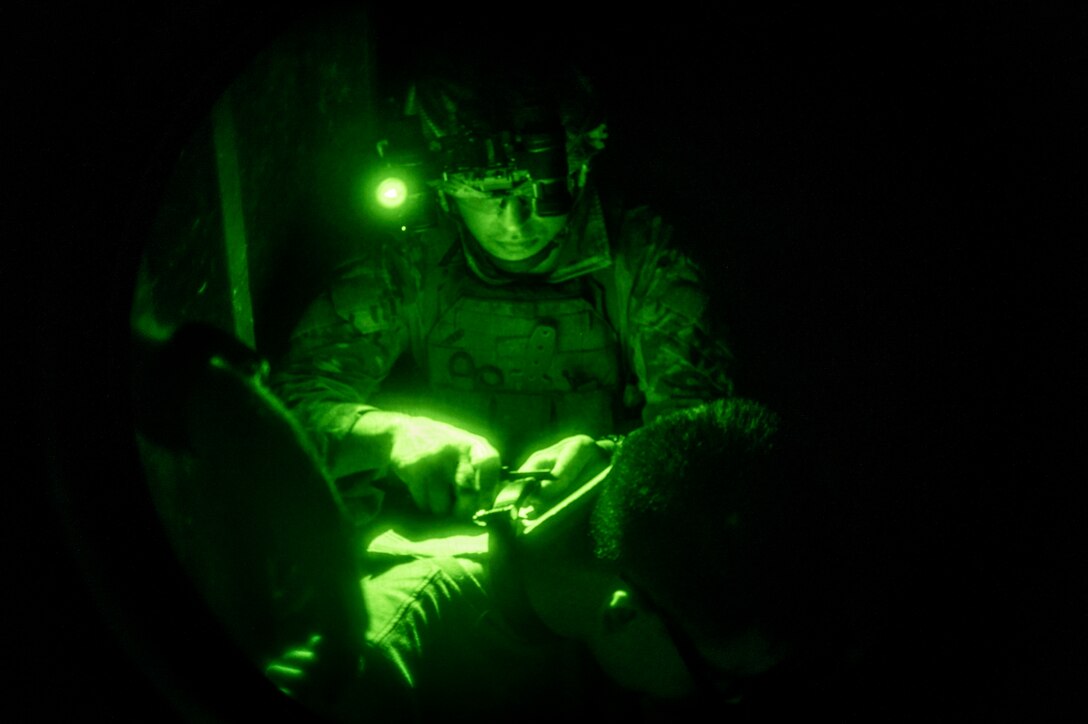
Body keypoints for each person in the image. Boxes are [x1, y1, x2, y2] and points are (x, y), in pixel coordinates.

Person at [270, 39, 737, 533]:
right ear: (443, 192)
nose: (515, 221)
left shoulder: (646, 259)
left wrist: (611, 458)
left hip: (601, 534)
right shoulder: (408, 259)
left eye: (539, 193)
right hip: (449, 538)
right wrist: (391, 437)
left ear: (580, 172)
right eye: (485, 194)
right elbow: (283, 409)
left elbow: (705, 436)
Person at [267, 396, 833, 721]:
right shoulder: (381, 655)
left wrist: (614, 452)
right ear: (622, 613)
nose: (716, 702)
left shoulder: (596, 594)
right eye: (719, 682)